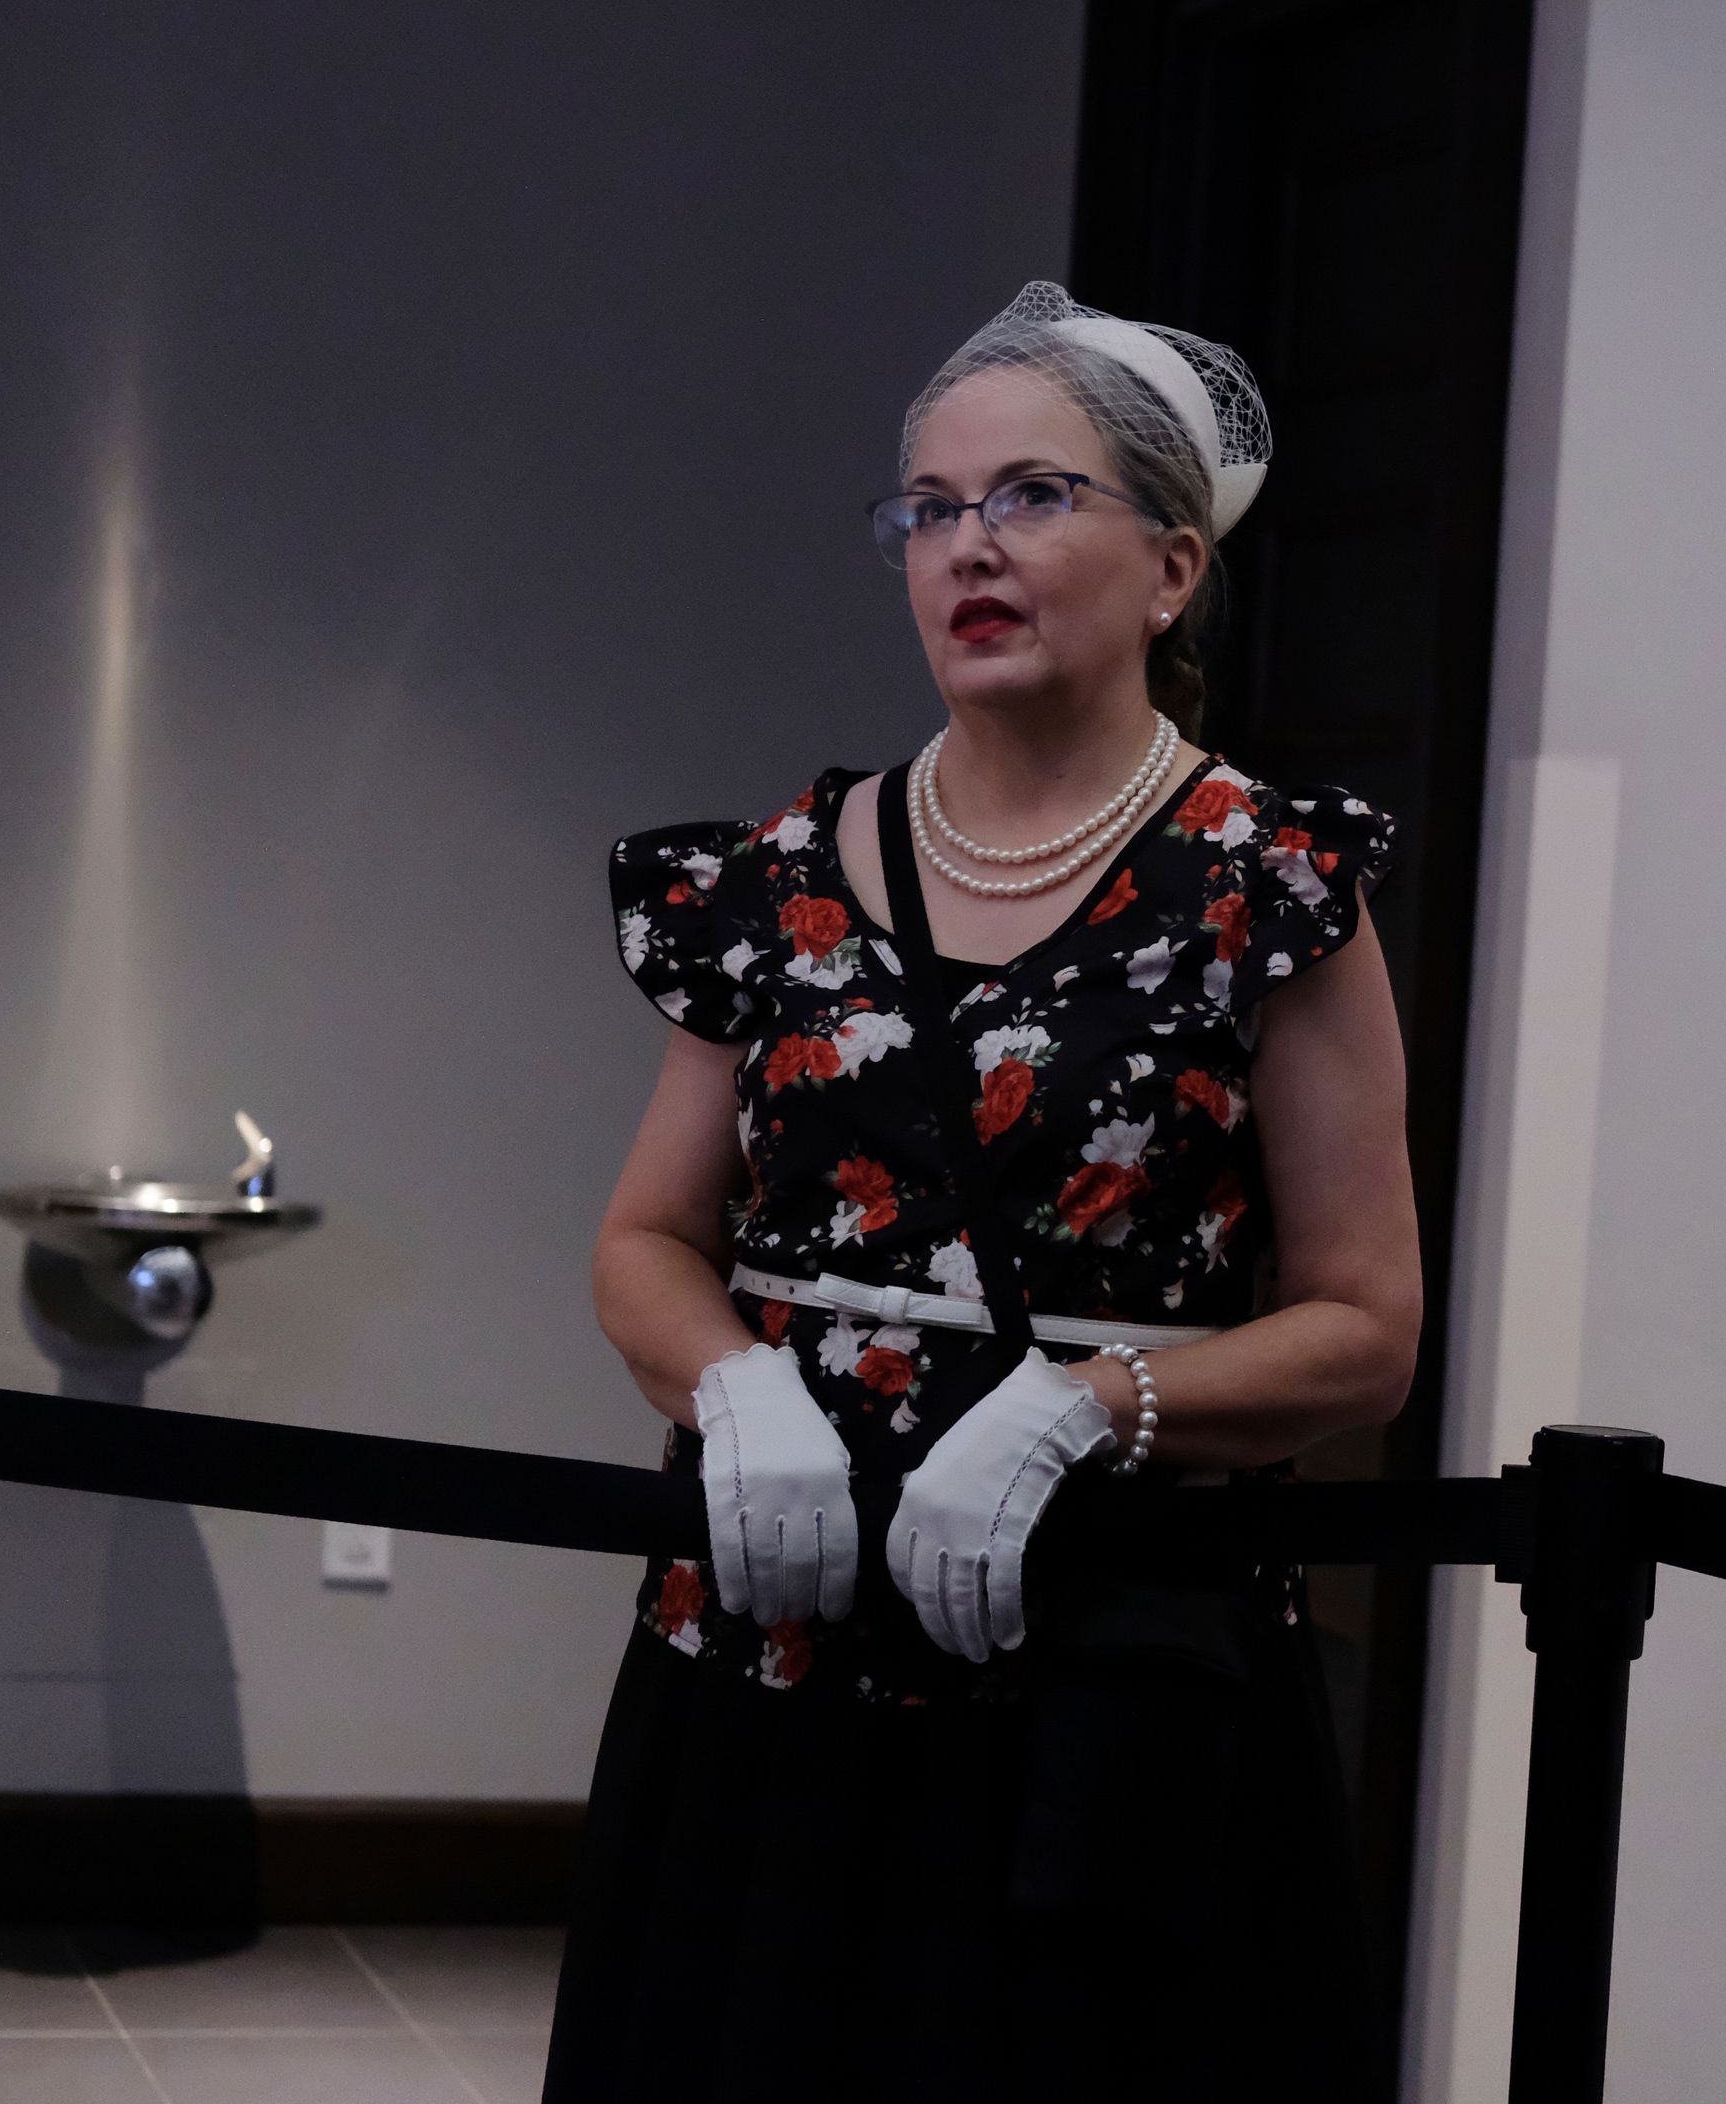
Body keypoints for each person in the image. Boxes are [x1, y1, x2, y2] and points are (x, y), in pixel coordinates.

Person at [542, 283, 1424, 2104]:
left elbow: (1366, 1332)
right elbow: (646, 1239)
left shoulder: (1265, 886)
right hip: (771, 1652)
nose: (969, 549)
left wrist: (1092, 1410)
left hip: (1099, 1685)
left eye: (1033, 497)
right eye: (929, 511)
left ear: (1173, 569)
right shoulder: (782, 872)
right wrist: (731, 1381)